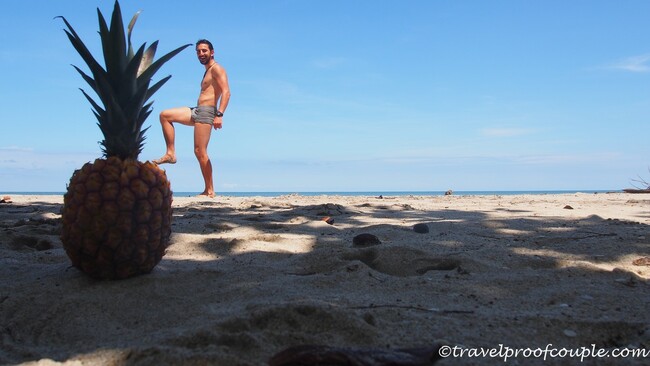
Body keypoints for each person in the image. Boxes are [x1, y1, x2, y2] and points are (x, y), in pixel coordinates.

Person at [154, 39, 231, 198]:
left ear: (212, 52)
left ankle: (209, 190)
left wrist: (220, 114)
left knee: (200, 151)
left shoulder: (217, 69)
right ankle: (171, 153)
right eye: (198, 51)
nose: (201, 54)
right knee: (165, 115)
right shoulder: (207, 70)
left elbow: (226, 92)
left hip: (207, 112)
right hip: (197, 110)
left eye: (204, 50)